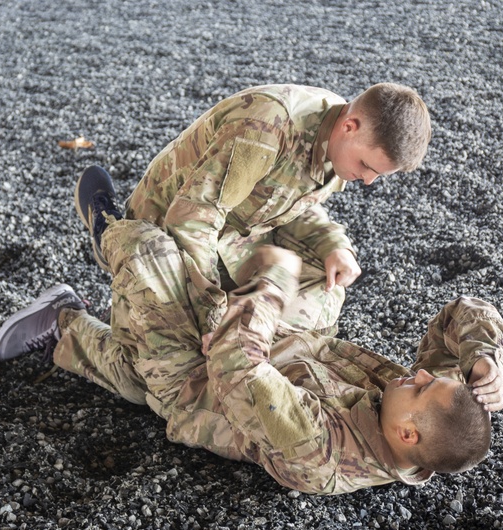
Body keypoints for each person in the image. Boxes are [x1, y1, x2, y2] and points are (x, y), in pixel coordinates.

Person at [0, 186, 503, 495]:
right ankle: (216, 264)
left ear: (406, 434)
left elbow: (235, 367)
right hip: (297, 343)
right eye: (432, 376)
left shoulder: (320, 450)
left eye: (424, 386)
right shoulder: (414, 419)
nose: (419, 373)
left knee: (146, 253)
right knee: (327, 270)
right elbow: (463, 313)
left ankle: (77, 291)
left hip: (199, 380)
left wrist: (269, 286)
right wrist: (484, 358)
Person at [78, 83, 432, 354]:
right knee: (166, 362)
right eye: (367, 168)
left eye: (378, 175)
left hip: (236, 234)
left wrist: (333, 246)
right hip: (166, 229)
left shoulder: (340, 140)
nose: (368, 181)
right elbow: (193, 218)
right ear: (350, 126)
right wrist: (211, 314)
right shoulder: (265, 127)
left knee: (323, 297)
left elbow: (293, 201)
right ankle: (108, 231)